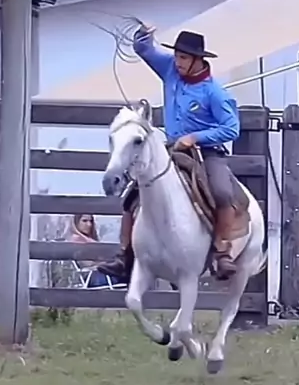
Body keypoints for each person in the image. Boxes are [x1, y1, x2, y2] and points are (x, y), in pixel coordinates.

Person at [98, 25, 240, 283]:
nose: (178, 62)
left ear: (198, 60)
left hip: (207, 151)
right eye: (176, 56)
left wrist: (196, 137)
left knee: (222, 192)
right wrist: (143, 34)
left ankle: (222, 251)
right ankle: (124, 255)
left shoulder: (215, 93)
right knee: (133, 194)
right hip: (172, 147)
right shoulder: (170, 69)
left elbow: (231, 128)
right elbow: (143, 50)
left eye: (183, 57)